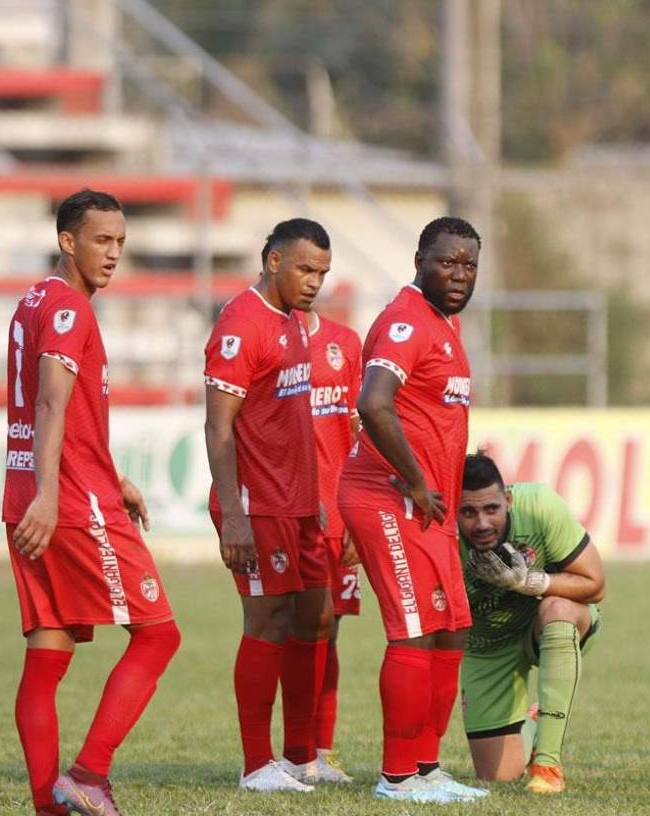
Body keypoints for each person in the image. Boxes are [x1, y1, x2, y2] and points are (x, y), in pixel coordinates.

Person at [3, 189, 181, 816]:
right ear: (67, 241)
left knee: (47, 656)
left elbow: (61, 413)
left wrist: (115, 473)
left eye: (121, 243)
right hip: (70, 504)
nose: (113, 254)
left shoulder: (33, 301)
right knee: (159, 636)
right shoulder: (71, 309)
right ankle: (89, 775)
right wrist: (56, 496)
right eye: (101, 241)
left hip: (30, 495)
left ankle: (48, 807)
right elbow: (51, 402)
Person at [337, 216, 488, 803]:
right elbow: (372, 403)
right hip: (387, 496)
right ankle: (397, 775)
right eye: (446, 262)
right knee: (415, 632)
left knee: (451, 630)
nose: (457, 274)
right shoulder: (405, 321)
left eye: (468, 265)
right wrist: (416, 479)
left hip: (427, 506)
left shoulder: (444, 324)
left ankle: (426, 766)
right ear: (419, 260)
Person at [203, 218, 333, 793]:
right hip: (257, 506)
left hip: (299, 503)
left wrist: (317, 498)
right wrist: (233, 514)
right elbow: (218, 427)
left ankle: (301, 757)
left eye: (323, 274)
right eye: (305, 269)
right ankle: (257, 764)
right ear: (273, 260)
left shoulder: (294, 322)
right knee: (267, 621)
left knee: (316, 618)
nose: (314, 283)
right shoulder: (240, 323)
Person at [456, 452, 605, 796]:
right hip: (487, 648)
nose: (481, 523)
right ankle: (535, 721)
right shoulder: (439, 533)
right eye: (468, 512)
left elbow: (596, 584)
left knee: (558, 610)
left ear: (507, 500)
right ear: (453, 509)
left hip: (550, 623)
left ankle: (548, 765)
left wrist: (528, 583)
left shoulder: (539, 506)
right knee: (498, 777)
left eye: (491, 509)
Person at [305, 306, 364, 783]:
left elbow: (357, 434)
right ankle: (291, 752)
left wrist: (353, 514)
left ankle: (320, 751)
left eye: (318, 270)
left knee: (331, 632)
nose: (311, 279)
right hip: (288, 515)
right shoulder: (263, 337)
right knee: (290, 630)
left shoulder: (344, 343)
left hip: (339, 516)